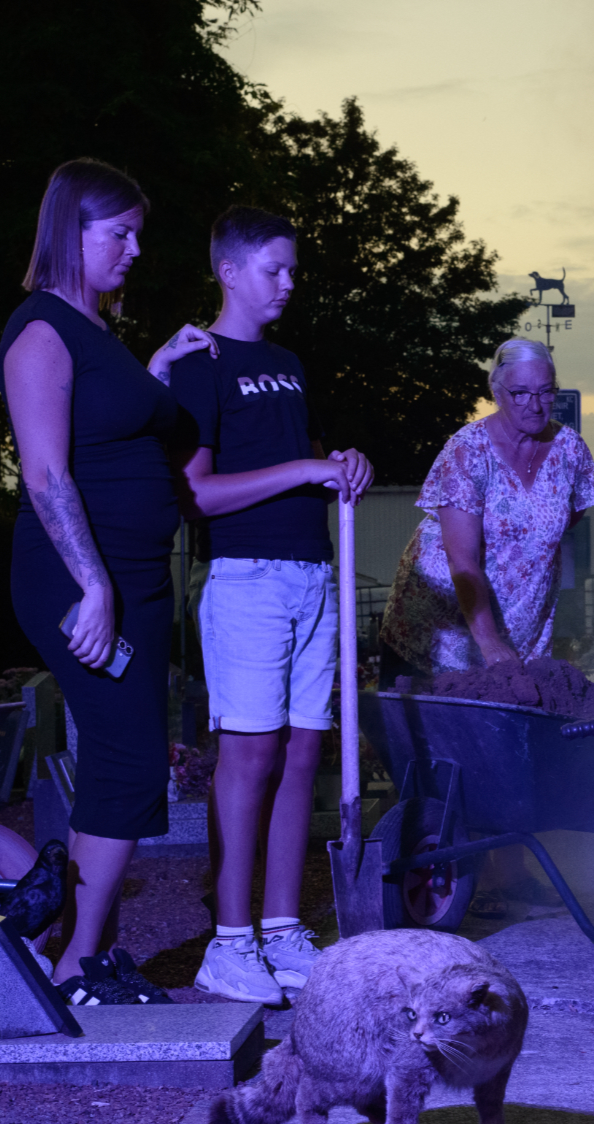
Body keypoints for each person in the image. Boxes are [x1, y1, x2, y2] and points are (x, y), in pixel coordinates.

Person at [0, 159, 218, 1003]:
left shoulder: (95, 331)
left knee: (120, 762)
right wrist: (93, 587)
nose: (134, 249)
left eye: (137, 234)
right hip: (81, 578)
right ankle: (73, 965)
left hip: (130, 576)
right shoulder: (41, 331)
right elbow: (46, 473)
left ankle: (83, 956)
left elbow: (110, 426)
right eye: (119, 233)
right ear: (72, 230)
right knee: (128, 761)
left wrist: (155, 370)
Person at [169, 206, 373, 1005]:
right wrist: (303, 470)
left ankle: (283, 931)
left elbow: (309, 461)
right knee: (248, 756)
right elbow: (196, 492)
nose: (288, 282)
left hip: (313, 574)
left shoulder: (287, 362)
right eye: (273, 269)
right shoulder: (201, 361)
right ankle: (229, 942)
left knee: (302, 753)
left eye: (293, 269)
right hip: (246, 579)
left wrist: (341, 463)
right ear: (229, 270)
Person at [377, 337, 594, 916]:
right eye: (520, 393)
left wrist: (522, 585)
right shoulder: (467, 451)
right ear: (497, 391)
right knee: (452, 756)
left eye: (545, 392)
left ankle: (511, 878)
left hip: (522, 619)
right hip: (445, 622)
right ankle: (443, 874)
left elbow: (567, 519)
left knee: (509, 750)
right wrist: (490, 642)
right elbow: (464, 562)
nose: (534, 404)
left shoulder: (570, 450)